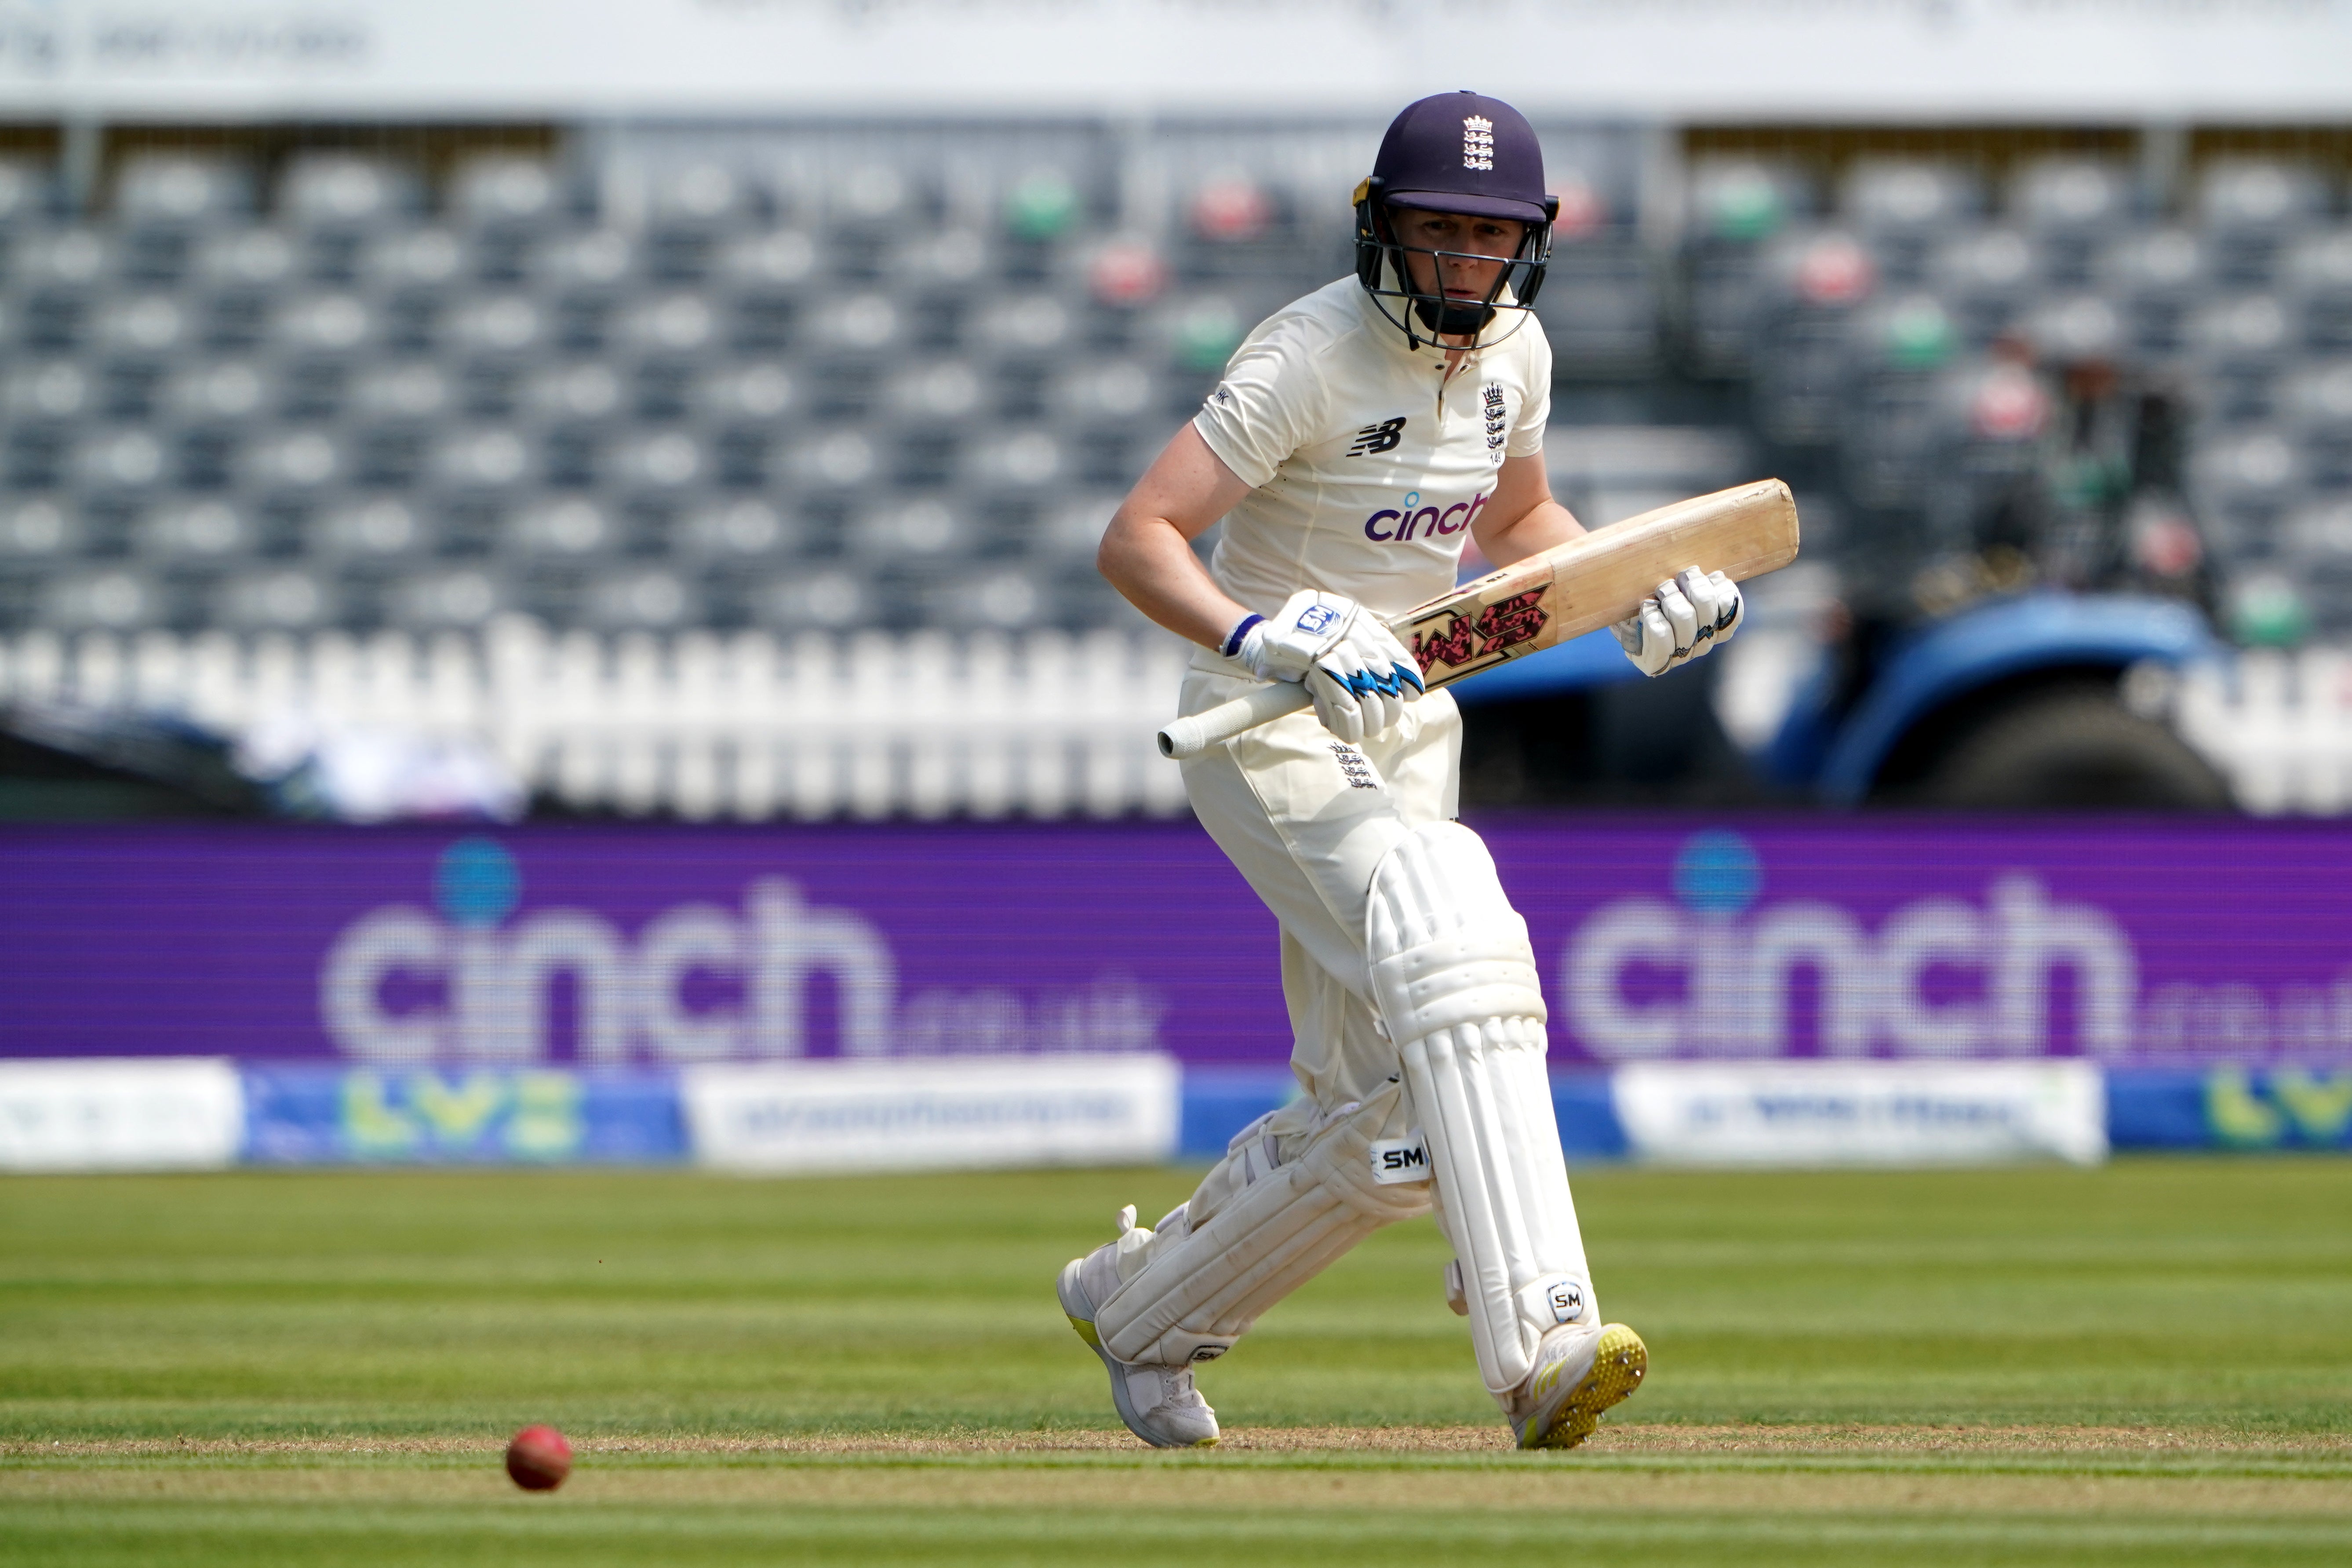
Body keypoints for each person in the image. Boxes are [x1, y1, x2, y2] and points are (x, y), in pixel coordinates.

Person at [1057, 91, 1744, 1450]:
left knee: (1383, 1121)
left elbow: (1516, 519)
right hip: (1263, 719)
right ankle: (1542, 1340)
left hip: (1409, 715)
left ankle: (1138, 1313)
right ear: (1379, 227)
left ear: (1530, 244)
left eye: (1490, 238)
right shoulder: (1304, 354)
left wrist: (1636, 588)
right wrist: (1264, 626)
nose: (1461, 264)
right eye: (1435, 230)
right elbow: (1139, 538)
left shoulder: (1517, 352)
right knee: (1457, 927)